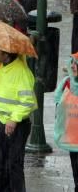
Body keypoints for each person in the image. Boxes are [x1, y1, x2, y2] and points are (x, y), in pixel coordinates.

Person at [0, 47, 37, 190]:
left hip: (17, 125)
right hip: (4, 122)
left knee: (14, 164)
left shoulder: (21, 72)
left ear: (6, 54)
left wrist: (14, 119)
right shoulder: (2, 69)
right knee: (3, 162)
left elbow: (27, 101)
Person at [53, 52, 78, 189]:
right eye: (72, 63)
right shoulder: (66, 83)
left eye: (76, 64)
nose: (73, 66)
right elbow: (59, 106)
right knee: (75, 172)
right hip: (71, 139)